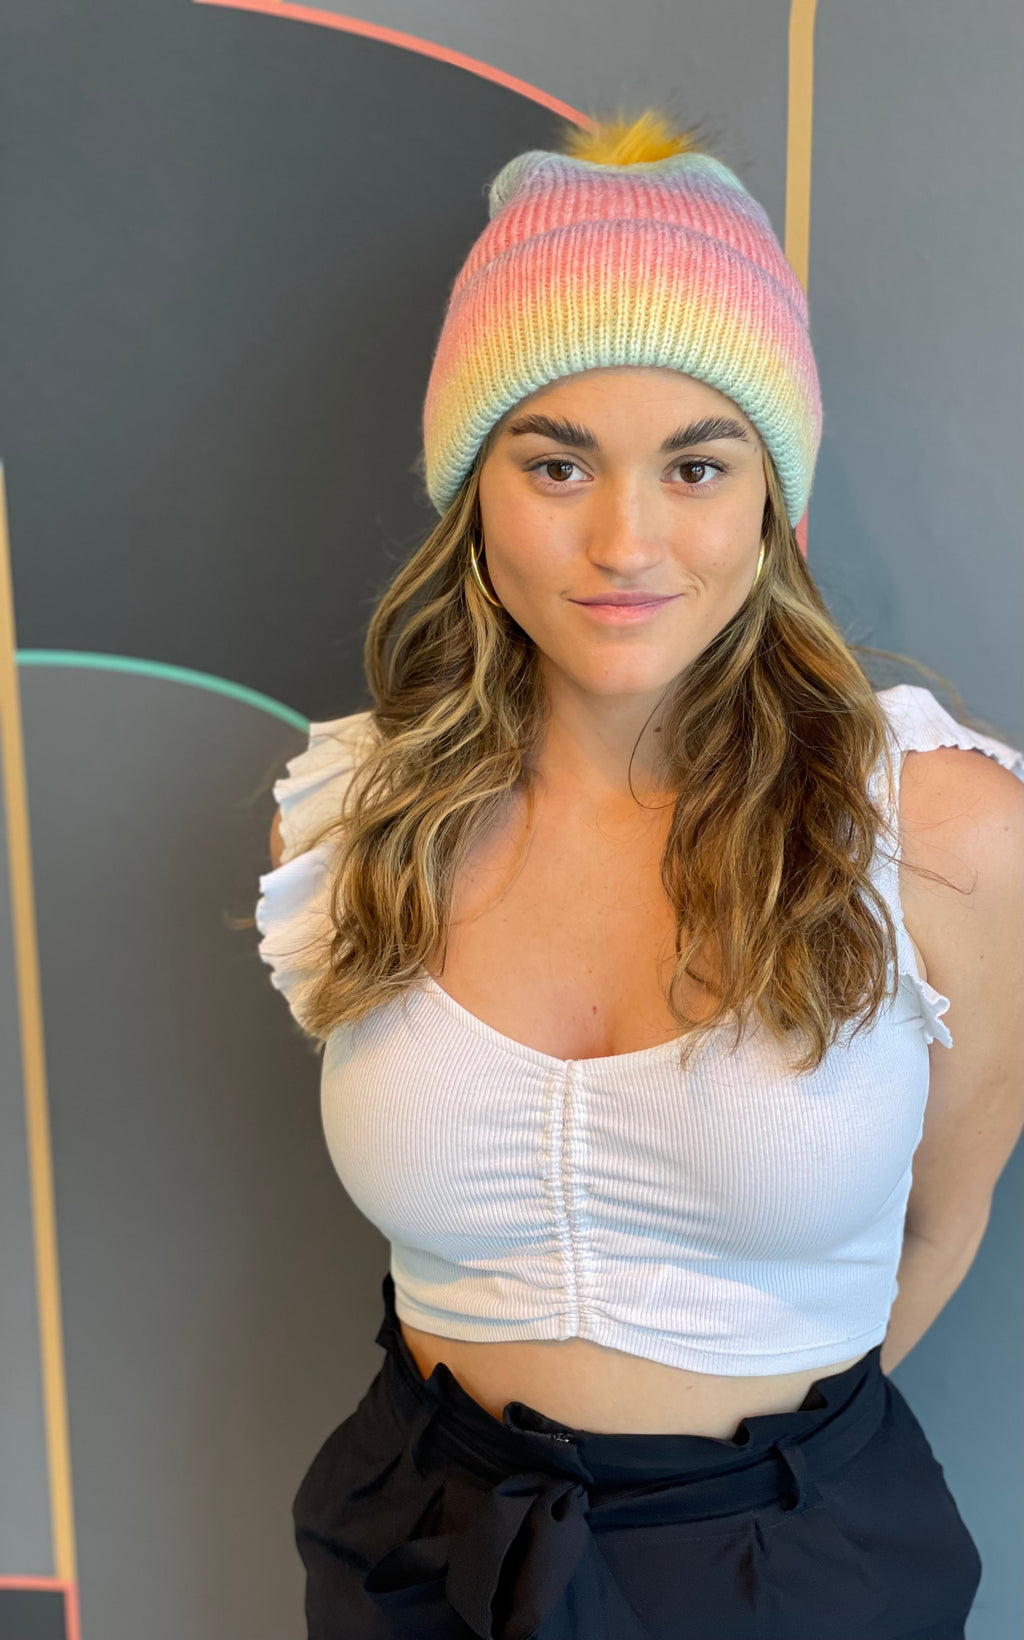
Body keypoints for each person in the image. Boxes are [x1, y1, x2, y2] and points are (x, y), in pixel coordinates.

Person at [255, 109, 1023, 1639]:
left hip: (788, 1565)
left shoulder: (943, 837)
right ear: (473, 490)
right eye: (557, 463)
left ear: (768, 493)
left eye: (695, 463)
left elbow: (946, 1220)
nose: (625, 541)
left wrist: (742, 1497)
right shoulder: (353, 820)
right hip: (418, 1546)